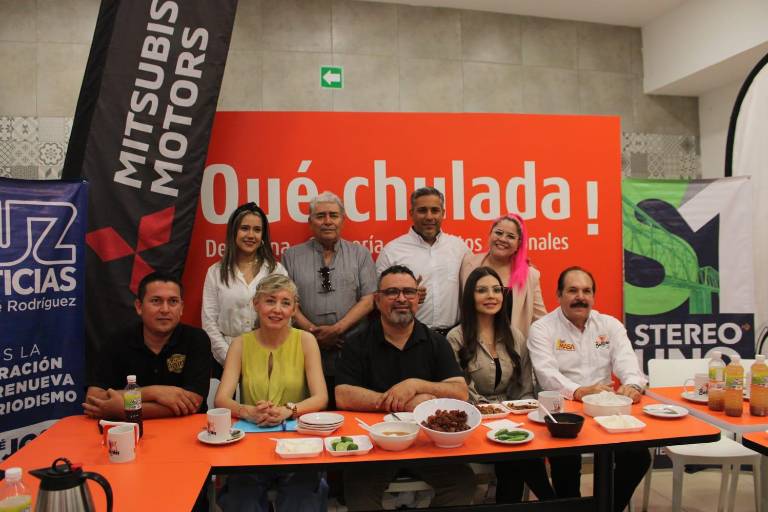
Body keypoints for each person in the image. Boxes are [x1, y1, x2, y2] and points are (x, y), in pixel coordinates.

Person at [335, 264, 476, 511]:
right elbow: (343, 395)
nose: (401, 299)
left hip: (427, 442)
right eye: (392, 292)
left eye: (408, 292)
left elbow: (460, 391)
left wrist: (415, 385)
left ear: (417, 299)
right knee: (357, 490)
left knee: (462, 483)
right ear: (378, 300)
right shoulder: (356, 343)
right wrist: (403, 403)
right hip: (375, 444)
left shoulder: (436, 342)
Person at [527, 266, 649, 512]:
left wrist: (633, 385)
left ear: (593, 296)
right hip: (564, 410)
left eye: (586, 291)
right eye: (572, 290)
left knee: (638, 457)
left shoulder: (609, 325)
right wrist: (581, 391)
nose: (580, 297)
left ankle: (607, 507)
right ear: (558, 295)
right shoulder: (542, 328)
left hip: (606, 411)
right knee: (565, 464)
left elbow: (627, 362)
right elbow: (547, 375)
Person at [214, 274, 328, 512]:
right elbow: (221, 399)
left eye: (285, 303)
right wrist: (248, 412)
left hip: (298, 446)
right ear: (256, 304)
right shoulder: (240, 344)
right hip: (249, 447)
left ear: (294, 309)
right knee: (240, 500)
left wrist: (289, 410)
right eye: (270, 301)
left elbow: (321, 397)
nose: (277, 309)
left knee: (302, 500)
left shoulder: (306, 341)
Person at [447, 266, 555, 503]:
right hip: (476, 424)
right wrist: (498, 417)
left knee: (518, 453)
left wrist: (516, 417)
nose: (491, 296)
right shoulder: (456, 337)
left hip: (515, 423)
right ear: (469, 297)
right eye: (482, 290)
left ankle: (551, 502)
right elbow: (465, 394)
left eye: (496, 290)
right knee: (517, 455)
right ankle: (553, 502)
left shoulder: (515, 336)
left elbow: (525, 388)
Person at [282, 191, 376, 409]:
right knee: (310, 412)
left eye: (333, 215)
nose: (327, 221)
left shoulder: (360, 254)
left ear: (343, 219)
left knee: (349, 410)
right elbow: (286, 300)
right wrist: (314, 332)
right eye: (320, 216)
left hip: (352, 347)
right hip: (306, 348)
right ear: (310, 221)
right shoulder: (291, 256)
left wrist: (338, 329)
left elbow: (370, 298)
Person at [84, 272, 210, 419]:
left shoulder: (197, 339)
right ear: (139, 306)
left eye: (173, 301)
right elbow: (94, 399)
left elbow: (193, 403)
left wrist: (124, 409)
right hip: (127, 432)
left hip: (186, 432)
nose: (165, 309)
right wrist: (154, 392)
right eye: (156, 301)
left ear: (181, 308)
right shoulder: (116, 341)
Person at [202, 202, 287, 376]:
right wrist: (230, 359)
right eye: (244, 228)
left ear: (263, 235)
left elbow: (285, 316)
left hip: (269, 358)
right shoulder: (215, 272)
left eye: (257, 230)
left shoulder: (275, 270)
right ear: (233, 232)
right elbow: (209, 323)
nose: (251, 235)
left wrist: (270, 356)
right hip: (223, 360)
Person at [375, 187, 469, 335]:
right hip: (409, 337)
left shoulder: (459, 248)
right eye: (422, 210)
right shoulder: (392, 251)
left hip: (453, 337)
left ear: (443, 213)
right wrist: (407, 295)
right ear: (411, 213)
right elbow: (378, 299)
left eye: (435, 210)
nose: (429, 217)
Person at [460, 213, 545, 338]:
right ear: (490, 234)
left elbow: (540, 319)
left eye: (510, 236)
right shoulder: (468, 264)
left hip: (512, 350)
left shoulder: (530, 275)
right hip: (473, 345)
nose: (503, 239)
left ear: (518, 243)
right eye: (498, 233)